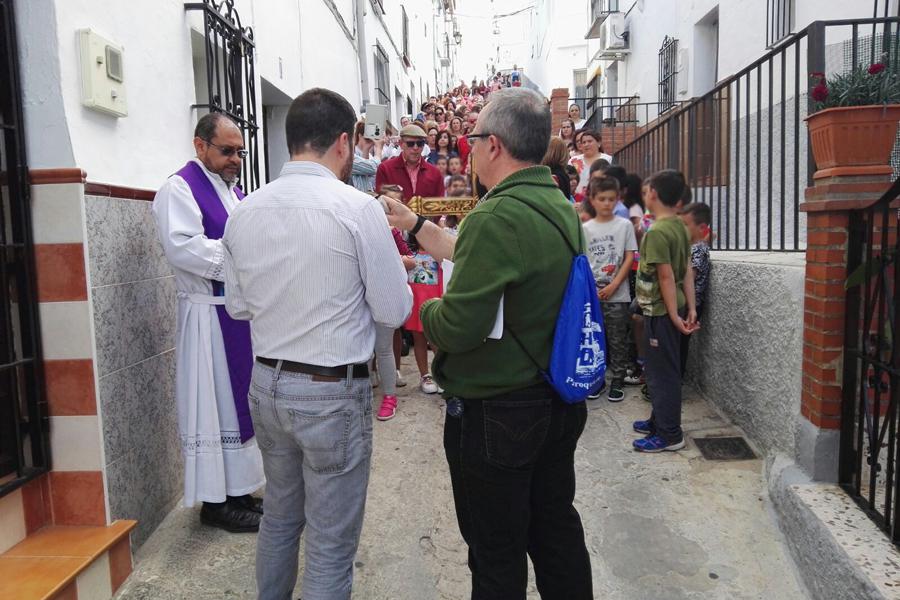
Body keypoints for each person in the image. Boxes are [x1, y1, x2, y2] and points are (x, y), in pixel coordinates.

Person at [382, 88, 593, 600]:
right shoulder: (556, 206)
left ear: (493, 145)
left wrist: (424, 307)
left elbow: (457, 327)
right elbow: (488, 254)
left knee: (496, 553)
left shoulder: (494, 216)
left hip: (500, 413)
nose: (467, 149)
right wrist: (415, 225)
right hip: (554, 399)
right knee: (554, 531)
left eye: (471, 139)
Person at [222, 88, 412, 599]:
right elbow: (395, 311)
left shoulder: (244, 210)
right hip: (329, 391)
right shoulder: (356, 208)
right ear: (345, 143)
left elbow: (238, 306)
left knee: (281, 519)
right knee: (329, 544)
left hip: (267, 385)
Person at [152, 112, 265, 533]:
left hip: (232, 313)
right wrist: (243, 262)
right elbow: (184, 249)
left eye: (239, 151)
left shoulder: (230, 191)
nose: (235, 158)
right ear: (200, 146)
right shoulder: (178, 188)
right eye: (226, 150)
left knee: (236, 405)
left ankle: (238, 491)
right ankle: (215, 505)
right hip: (207, 316)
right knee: (215, 406)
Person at [632, 170, 698, 453]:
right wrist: (690, 308)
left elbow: (667, 276)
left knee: (662, 374)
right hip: (673, 307)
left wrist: (671, 315)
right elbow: (687, 272)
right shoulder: (680, 226)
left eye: (646, 191)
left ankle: (670, 434)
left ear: (653, 194)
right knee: (663, 368)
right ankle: (658, 420)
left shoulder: (657, 231)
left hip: (661, 311)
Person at [583, 177, 637, 403]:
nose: (606, 203)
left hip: (619, 293)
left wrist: (615, 284)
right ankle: (598, 379)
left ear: (618, 200)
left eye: (611, 199)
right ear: (592, 200)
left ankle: (618, 379)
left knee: (617, 338)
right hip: (593, 294)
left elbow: (629, 256)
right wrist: (593, 287)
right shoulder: (585, 228)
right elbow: (583, 260)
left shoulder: (624, 226)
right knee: (596, 337)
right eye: (602, 199)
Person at [678, 202, 712, 377]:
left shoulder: (698, 249)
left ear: (702, 227)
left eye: (685, 225)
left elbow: (689, 276)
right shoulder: (692, 247)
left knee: (680, 345)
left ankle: (676, 380)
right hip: (686, 303)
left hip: (690, 304)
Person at [375, 124, 445, 202]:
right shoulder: (385, 169)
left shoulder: (435, 173)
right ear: (401, 144)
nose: (415, 148)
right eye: (410, 144)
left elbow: (439, 206)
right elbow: (380, 204)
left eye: (420, 144)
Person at [569, 130, 612, 196]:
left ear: (598, 143)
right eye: (584, 142)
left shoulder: (608, 159)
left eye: (590, 141)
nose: (586, 144)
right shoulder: (573, 161)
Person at [350, 120, 383, 193]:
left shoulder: (369, 155)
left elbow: (365, 170)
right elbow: (371, 167)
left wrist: (366, 148)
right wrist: (379, 149)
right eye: (367, 138)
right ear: (359, 135)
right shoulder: (348, 156)